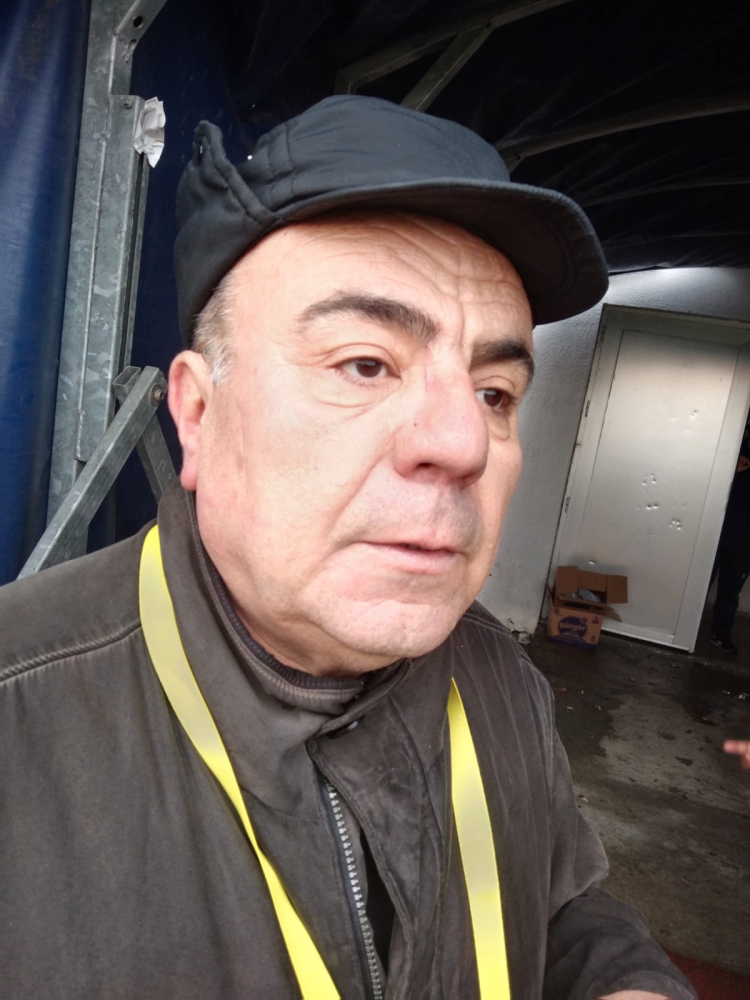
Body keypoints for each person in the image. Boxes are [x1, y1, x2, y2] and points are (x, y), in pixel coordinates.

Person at [0, 96, 696, 1000]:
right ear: (198, 414)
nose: (463, 443)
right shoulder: (20, 722)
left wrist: (629, 982)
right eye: (365, 364)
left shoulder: (501, 676)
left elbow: (561, 906)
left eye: (494, 393)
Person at [710, 428, 750, 654]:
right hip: (715, 529)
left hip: (744, 539)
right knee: (699, 581)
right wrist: (730, 468)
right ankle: (678, 627)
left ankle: (720, 633)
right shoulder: (733, 446)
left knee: (730, 589)